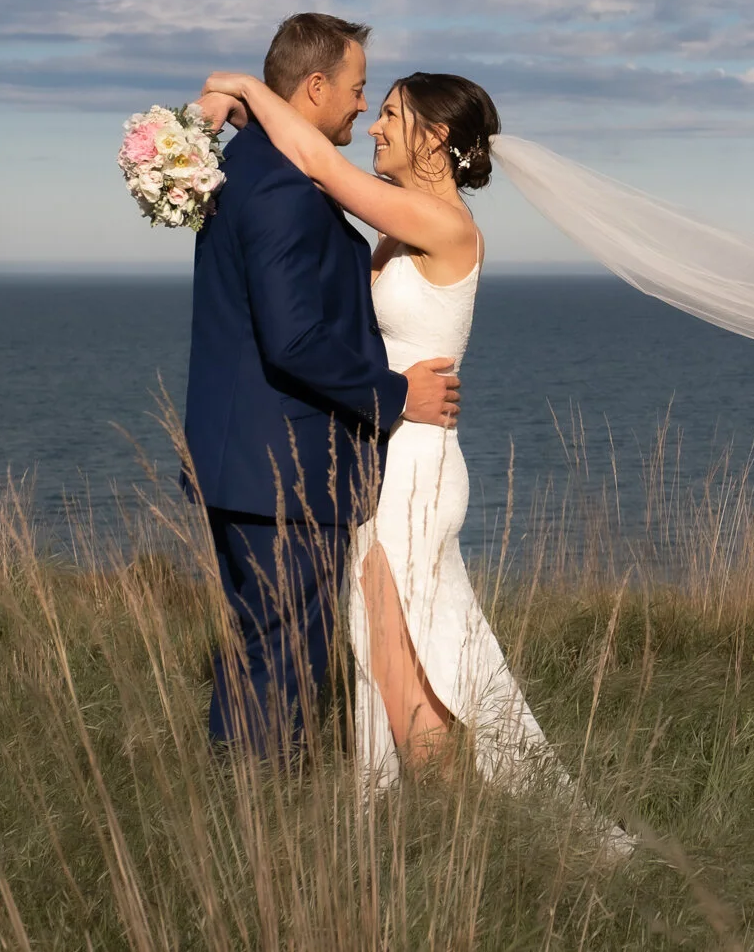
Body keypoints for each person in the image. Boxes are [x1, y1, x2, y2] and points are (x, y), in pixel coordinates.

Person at [197, 56, 633, 855]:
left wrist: (253, 92)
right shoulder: (402, 222)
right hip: (397, 452)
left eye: (392, 113)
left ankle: (456, 839)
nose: (375, 124)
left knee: (394, 660)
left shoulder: (447, 224)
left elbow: (320, 165)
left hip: (415, 467)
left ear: (435, 137)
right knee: (413, 658)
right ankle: (471, 832)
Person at [182, 13, 460, 758]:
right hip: (285, 470)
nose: (362, 107)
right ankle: (257, 823)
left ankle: (230, 802)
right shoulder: (286, 189)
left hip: (238, 459)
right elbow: (296, 338)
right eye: (358, 88)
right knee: (285, 661)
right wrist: (399, 397)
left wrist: (235, 97)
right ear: (314, 86)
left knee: (259, 646)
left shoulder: (243, 163)